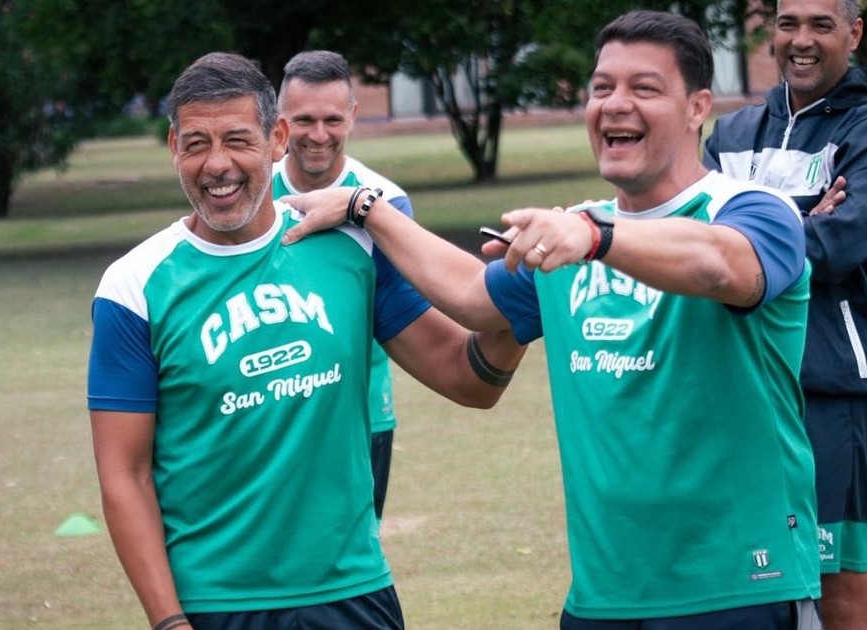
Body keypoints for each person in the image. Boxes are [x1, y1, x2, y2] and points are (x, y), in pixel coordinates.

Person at [283, 11, 823, 628]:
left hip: (741, 589)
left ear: (697, 106)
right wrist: (366, 207)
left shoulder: (752, 211)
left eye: (644, 88)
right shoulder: (569, 234)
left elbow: (721, 267)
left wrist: (596, 235)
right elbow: (470, 296)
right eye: (602, 88)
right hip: (602, 599)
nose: (615, 104)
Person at [86, 52, 524, 630]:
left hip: (351, 591)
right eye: (196, 144)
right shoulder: (132, 287)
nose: (217, 165)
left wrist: (522, 303)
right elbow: (125, 475)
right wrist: (169, 622)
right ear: (173, 147)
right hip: (215, 604)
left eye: (237, 140)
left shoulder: (353, 248)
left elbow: (469, 380)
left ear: (276, 139)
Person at [703, 1, 867, 627]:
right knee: (752, 588)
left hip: (838, 394)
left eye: (821, 25)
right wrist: (802, 216)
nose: (801, 40)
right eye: (788, 23)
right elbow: (690, 241)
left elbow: (830, 250)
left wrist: (741, 236)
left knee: (836, 599)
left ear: (853, 33)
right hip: (745, 391)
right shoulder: (734, 133)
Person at [272, 50, 414, 520]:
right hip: (268, 414)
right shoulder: (252, 194)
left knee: (354, 546)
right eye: (304, 120)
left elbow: (410, 320)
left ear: (352, 116)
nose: (318, 135)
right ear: (279, 121)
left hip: (362, 416)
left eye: (332, 119)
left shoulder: (388, 203)